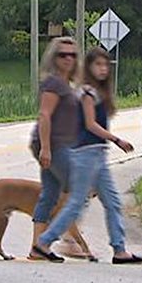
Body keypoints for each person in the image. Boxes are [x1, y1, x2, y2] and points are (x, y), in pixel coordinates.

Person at [32, 46, 142, 264]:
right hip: (85, 154)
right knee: (76, 202)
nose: (103, 69)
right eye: (98, 65)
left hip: (98, 154)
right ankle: (44, 242)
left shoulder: (98, 93)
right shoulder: (86, 92)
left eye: (106, 65)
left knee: (112, 201)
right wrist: (116, 139)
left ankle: (119, 249)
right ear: (89, 67)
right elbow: (90, 124)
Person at [29, 37, 82, 261]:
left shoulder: (65, 84)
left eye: (73, 55)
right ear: (54, 57)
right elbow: (45, 115)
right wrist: (46, 149)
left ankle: (36, 248)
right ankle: (65, 242)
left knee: (49, 196)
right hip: (53, 145)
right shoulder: (53, 84)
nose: (68, 58)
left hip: (57, 145)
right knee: (80, 189)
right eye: (63, 54)